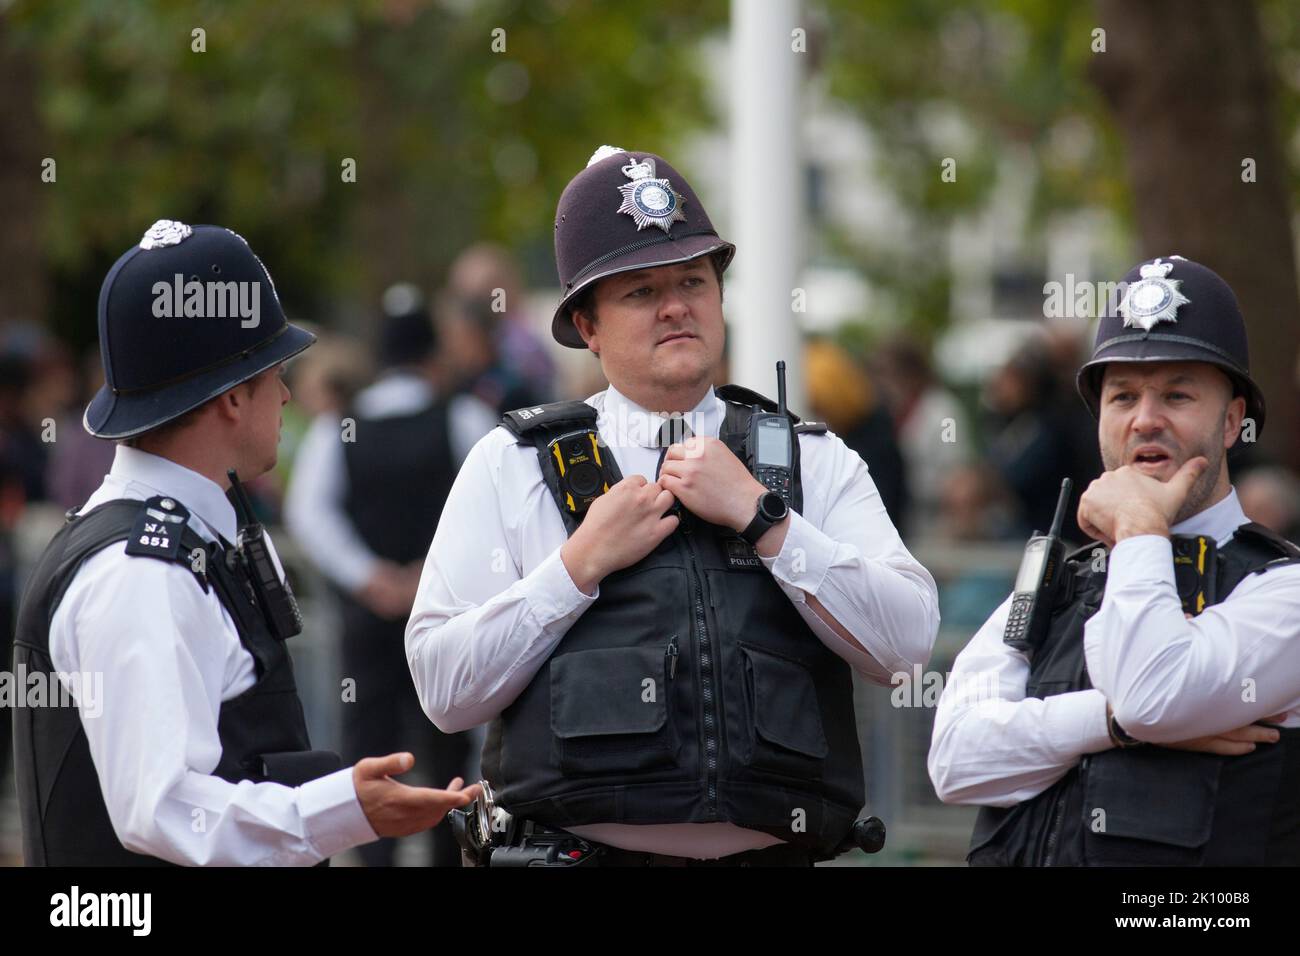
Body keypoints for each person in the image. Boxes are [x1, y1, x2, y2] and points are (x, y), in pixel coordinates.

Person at [406, 147, 939, 866]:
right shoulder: (515, 464)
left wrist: (765, 517)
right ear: (587, 326)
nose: (676, 305)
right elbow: (444, 687)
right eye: (640, 291)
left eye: (693, 280)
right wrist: (576, 566)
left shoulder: (809, 458)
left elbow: (907, 647)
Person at [12, 220, 478, 866]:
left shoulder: (178, 537)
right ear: (232, 399)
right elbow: (163, 808)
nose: (288, 394)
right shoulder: (142, 570)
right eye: (274, 373)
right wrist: (345, 809)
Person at [929, 255, 1300, 866]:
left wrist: (1139, 526)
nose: (1145, 419)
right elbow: (956, 761)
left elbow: (1151, 694)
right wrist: (1108, 722)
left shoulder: (1281, 586)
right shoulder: (1059, 584)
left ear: (1232, 420)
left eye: (1177, 394)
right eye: (1123, 396)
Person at [285, 283, 496, 866]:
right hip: (445, 614)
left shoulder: (339, 427)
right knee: (449, 752)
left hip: (369, 618)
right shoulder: (464, 414)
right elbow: (491, 501)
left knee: (368, 752)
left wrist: (366, 576)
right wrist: (430, 572)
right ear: (433, 355)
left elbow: (309, 511)